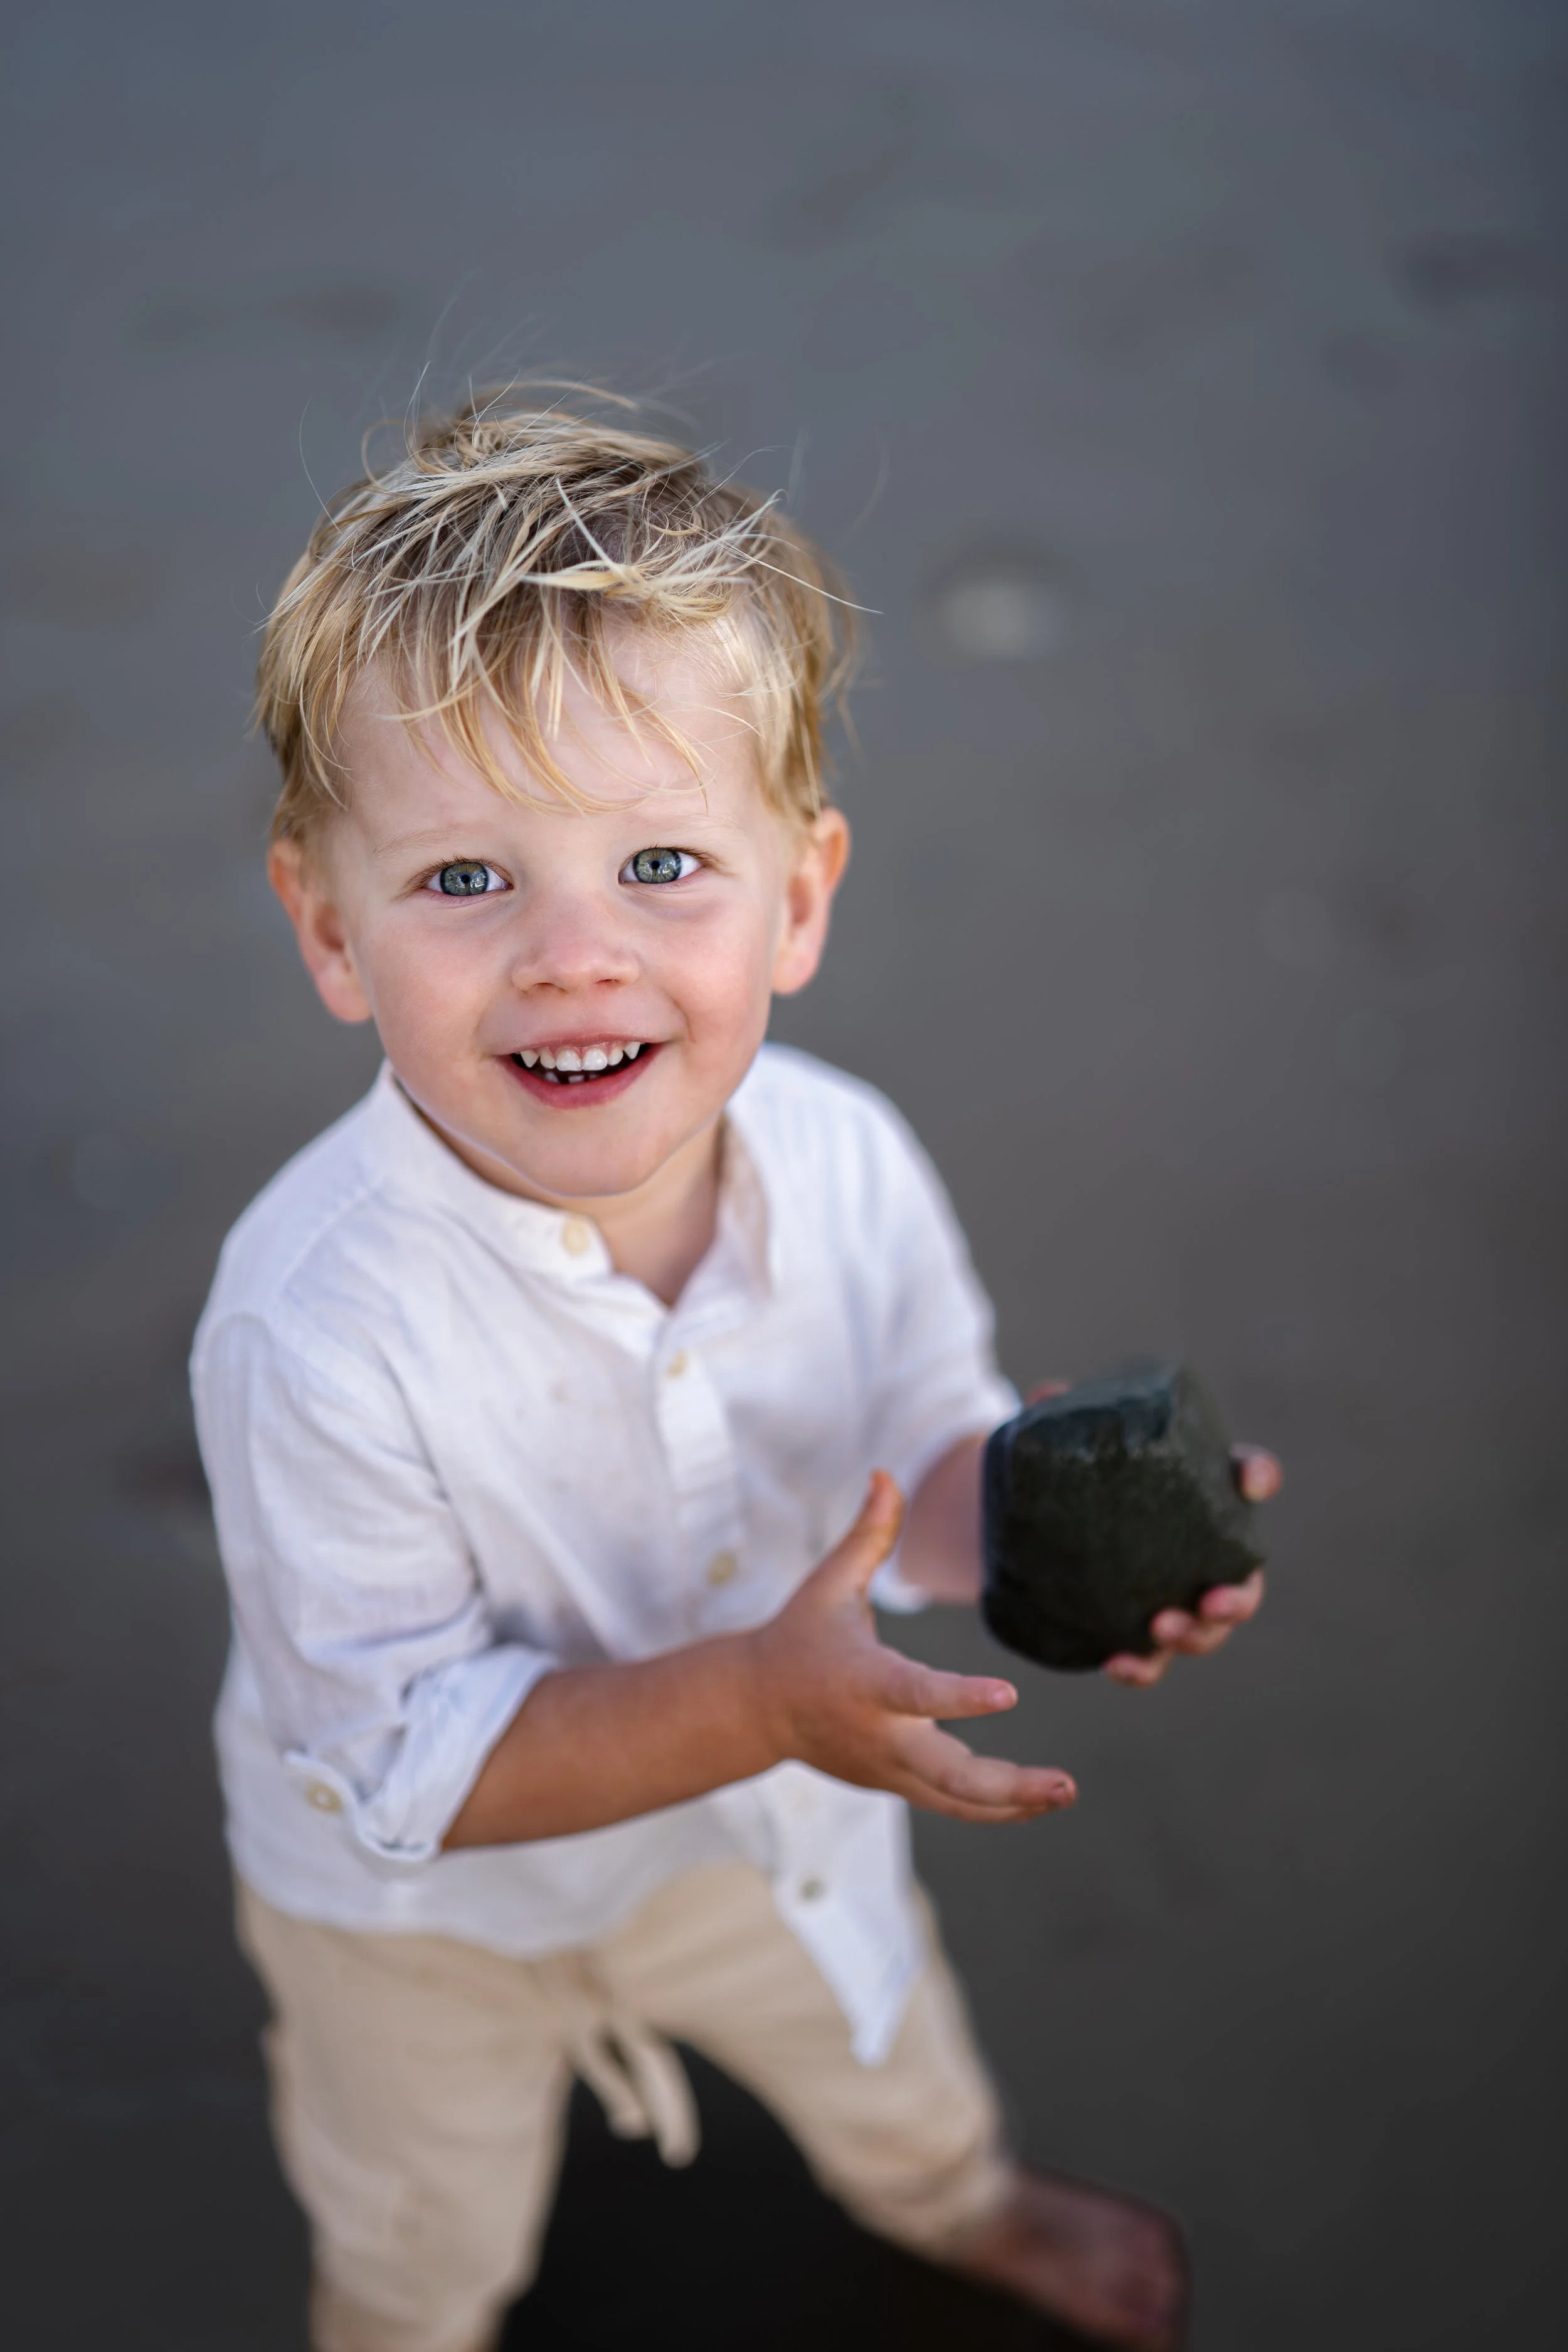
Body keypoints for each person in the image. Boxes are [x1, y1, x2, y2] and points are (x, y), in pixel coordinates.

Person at [193, 391, 1275, 2352]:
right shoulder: (313, 1322)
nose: (573, 954)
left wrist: (1059, 1533)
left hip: (763, 1833)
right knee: (416, 2229)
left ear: (799, 895)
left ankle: (955, 2199)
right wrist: (758, 1697)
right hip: (415, 1931)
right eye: (465, 879)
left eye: (662, 860)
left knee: (885, 2049)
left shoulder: (845, 1158)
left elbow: (915, 1459)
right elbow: (400, 1758)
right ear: (327, 925)